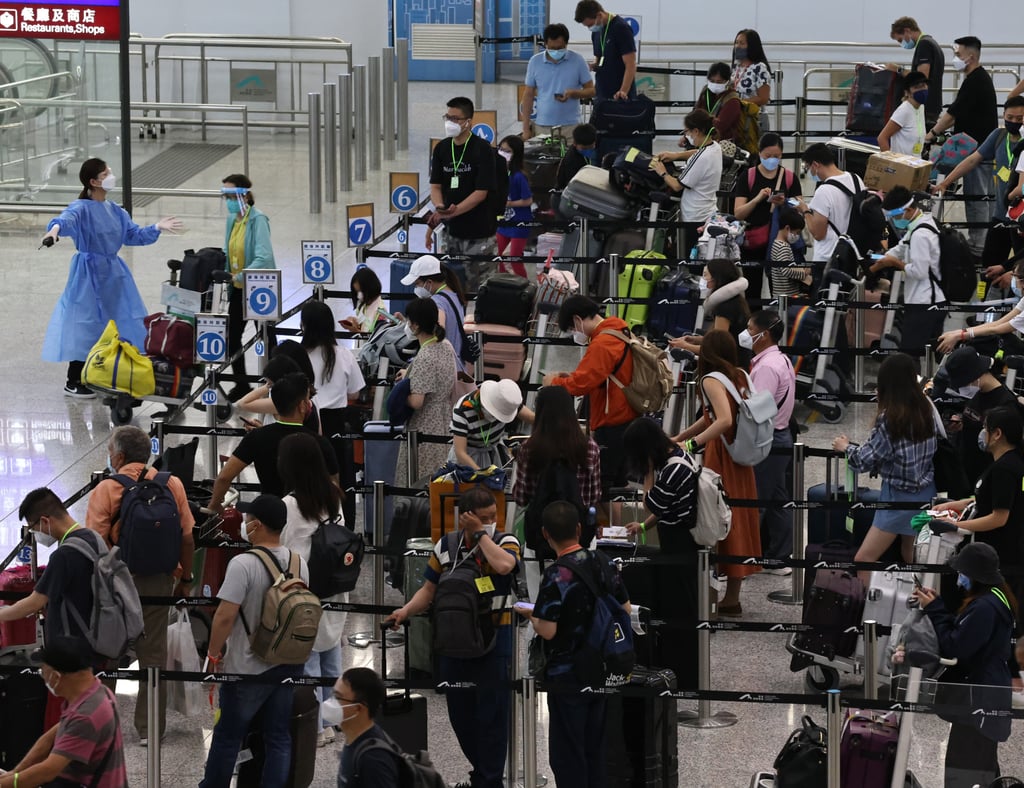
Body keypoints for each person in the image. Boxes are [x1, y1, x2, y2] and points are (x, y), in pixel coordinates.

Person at [386, 487, 520, 788]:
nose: (490, 522)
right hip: (453, 641)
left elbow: (504, 566)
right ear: (466, 517)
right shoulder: (445, 546)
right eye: (483, 518)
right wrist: (405, 611)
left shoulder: (505, 541)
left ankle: (488, 781)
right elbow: (429, 589)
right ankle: (482, 774)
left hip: (494, 641)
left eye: (493, 517)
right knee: (462, 719)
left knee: (493, 719)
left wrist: (482, 535)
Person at [85, 425, 196, 745]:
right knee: (153, 654)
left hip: (117, 580)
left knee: (107, 651)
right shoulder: (170, 482)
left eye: (109, 452)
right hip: (159, 580)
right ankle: (150, 730)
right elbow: (187, 536)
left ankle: (101, 725)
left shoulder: (107, 489)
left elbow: (96, 544)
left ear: (119, 456)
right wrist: (185, 578)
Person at [40, 158, 182, 398]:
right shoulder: (81, 208)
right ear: (93, 182)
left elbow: (132, 235)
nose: (111, 175)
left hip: (114, 273)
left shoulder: (115, 210)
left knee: (119, 320)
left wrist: (156, 227)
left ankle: (106, 371)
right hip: (87, 274)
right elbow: (64, 220)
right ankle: (73, 379)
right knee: (85, 323)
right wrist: (54, 232)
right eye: (106, 173)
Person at [519, 500, 630, 787]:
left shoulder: (557, 574)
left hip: (567, 675)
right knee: (596, 748)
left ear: (546, 534)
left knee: (568, 754)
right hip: (603, 668)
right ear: (579, 529)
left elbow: (548, 630)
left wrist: (532, 615)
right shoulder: (603, 561)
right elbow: (625, 609)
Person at [200, 494, 306, 788]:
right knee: (278, 736)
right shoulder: (299, 563)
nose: (244, 524)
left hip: (246, 666)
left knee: (227, 737)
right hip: (288, 663)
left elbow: (224, 616)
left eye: (247, 520)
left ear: (257, 525)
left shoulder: (243, 564)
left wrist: (212, 653)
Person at [912, 543, 1016, 787]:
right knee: (983, 765)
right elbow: (967, 633)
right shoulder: (996, 596)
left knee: (967, 770)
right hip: (987, 694)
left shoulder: (984, 608)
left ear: (975, 575)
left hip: (978, 699)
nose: (959, 581)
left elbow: (956, 648)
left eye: (962, 573)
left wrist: (935, 610)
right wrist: (938, 607)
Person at [673, 330, 761, 615]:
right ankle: (732, 595)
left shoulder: (710, 379)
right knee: (740, 516)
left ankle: (717, 593)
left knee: (718, 516)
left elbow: (721, 420)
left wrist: (689, 443)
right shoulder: (739, 373)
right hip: (742, 454)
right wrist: (681, 436)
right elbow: (711, 416)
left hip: (722, 454)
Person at [831, 353, 937, 584]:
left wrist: (846, 447)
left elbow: (864, 460)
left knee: (864, 559)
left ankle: (870, 616)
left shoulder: (890, 418)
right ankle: (918, 608)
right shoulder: (926, 407)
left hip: (897, 498)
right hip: (925, 491)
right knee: (913, 556)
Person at [277, 433, 349, 748]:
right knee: (331, 654)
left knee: (307, 660)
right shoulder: (333, 494)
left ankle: (318, 726)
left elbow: (277, 543)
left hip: (302, 591)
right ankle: (335, 716)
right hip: (334, 585)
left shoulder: (290, 504)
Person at [621, 417, 699, 687]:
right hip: (674, 539)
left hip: (682, 545)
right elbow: (664, 508)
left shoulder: (673, 467)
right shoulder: (675, 458)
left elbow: (651, 503)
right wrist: (642, 527)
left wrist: (648, 472)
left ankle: (685, 676)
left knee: (681, 611)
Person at [543, 295, 639, 506]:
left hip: (612, 418)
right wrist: (570, 377)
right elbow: (599, 374)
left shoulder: (602, 343)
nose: (574, 333)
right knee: (618, 483)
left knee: (603, 484)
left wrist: (554, 382)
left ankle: (603, 533)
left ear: (578, 319)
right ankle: (616, 530)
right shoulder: (619, 328)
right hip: (628, 414)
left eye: (572, 328)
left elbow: (581, 384)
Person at [0, 636, 127, 788]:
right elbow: (49, 738)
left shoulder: (86, 715)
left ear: (56, 675)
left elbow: (48, 771)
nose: (42, 676)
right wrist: (15, 772)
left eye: (43, 670)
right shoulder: (96, 691)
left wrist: (10, 783)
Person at [931, 407, 1024, 609]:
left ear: (997, 434)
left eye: (985, 428)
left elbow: (999, 517)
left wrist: (957, 525)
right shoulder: (1006, 463)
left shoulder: (1005, 469)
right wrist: (955, 504)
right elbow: (987, 499)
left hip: (1004, 557)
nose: (982, 433)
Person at [0, 489, 106, 666]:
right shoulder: (92, 537)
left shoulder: (64, 554)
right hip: (94, 636)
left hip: (72, 648)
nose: (36, 534)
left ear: (44, 521)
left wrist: (2, 614)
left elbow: (34, 602)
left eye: (34, 529)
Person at [208, 372, 339, 509]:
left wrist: (215, 505)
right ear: (301, 406)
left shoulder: (257, 437)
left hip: (269, 517)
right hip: (308, 516)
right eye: (307, 401)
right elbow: (334, 486)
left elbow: (224, 477)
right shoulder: (320, 443)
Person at [935, 96, 1024, 289]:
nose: (1015, 122)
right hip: (1000, 216)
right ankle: (983, 312)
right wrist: (946, 182)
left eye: (1020, 119)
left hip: (1021, 220)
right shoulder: (998, 137)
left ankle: (1014, 313)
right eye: (1011, 117)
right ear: (1004, 115)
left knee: (1019, 270)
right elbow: (972, 160)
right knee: (989, 268)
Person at [924, 36, 998, 257]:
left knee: (978, 199)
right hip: (979, 148)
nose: (955, 59)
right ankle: (984, 241)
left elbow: (953, 114)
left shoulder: (976, 80)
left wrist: (932, 133)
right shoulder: (978, 79)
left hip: (978, 152)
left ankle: (979, 245)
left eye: (958, 55)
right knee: (983, 198)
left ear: (971, 57)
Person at [300, 301, 365, 528]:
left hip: (305, 423)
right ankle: (343, 530)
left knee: (307, 479)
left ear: (304, 326)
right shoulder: (343, 355)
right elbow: (355, 393)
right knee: (342, 481)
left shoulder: (300, 355)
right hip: (336, 425)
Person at [744, 311, 796, 570]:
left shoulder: (766, 367)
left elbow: (757, 410)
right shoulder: (781, 359)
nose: (747, 333)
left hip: (768, 439)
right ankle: (779, 557)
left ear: (763, 335)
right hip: (780, 436)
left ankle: (746, 560)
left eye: (750, 328)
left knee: (756, 501)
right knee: (776, 499)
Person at [430, 96, 499, 289]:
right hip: (451, 234)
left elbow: (481, 192)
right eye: (447, 117)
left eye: (455, 118)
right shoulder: (442, 149)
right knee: (450, 286)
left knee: (482, 289)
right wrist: (440, 206)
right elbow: (435, 185)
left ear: (468, 121)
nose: (450, 122)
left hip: (479, 233)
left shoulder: (482, 150)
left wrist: (455, 210)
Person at [870, 187, 946, 353]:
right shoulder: (921, 223)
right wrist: (878, 262)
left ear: (909, 210)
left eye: (896, 216)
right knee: (922, 353)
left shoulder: (921, 235)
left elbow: (919, 272)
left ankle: (914, 379)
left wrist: (895, 263)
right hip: (928, 300)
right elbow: (901, 247)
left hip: (925, 303)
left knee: (911, 355)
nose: (895, 220)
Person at [219, 174, 274, 402]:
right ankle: (241, 384)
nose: (228, 200)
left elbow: (264, 256)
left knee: (267, 337)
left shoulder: (258, 220)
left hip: (260, 288)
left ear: (243, 194)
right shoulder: (233, 219)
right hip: (238, 288)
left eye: (231, 195)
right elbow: (227, 251)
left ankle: (275, 383)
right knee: (232, 337)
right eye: (226, 196)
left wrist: (239, 274)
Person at [395, 297, 457, 486]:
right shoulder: (445, 345)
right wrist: (411, 373)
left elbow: (417, 401)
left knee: (417, 480)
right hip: (444, 420)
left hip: (424, 425)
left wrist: (400, 394)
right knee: (439, 478)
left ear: (415, 325)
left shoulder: (425, 356)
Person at [939, 347, 1020, 485]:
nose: (962, 389)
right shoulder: (977, 392)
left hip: (985, 476)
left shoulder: (1005, 404)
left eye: (963, 384)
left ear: (975, 376)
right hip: (966, 470)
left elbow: (1005, 451)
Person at [651, 109, 723, 254]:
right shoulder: (715, 147)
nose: (687, 136)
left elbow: (677, 185)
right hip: (708, 211)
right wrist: (675, 156)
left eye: (687, 132)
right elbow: (697, 152)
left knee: (694, 260)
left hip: (695, 218)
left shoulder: (702, 158)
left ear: (696, 131)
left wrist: (662, 171)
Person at [733, 132, 803, 263]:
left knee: (778, 281)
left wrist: (785, 202)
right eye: (768, 156)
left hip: (781, 242)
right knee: (753, 282)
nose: (772, 159)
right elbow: (738, 214)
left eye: (776, 156)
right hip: (754, 239)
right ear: (760, 153)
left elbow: (800, 208)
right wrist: (756, 199)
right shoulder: (748, 176)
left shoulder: (789, 177)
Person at [521, 22, 594, 140]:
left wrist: (574, 93)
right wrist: (525, 129)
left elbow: (591, 90)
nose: (556, 51)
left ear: (566, 44)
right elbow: (528, 95)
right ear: (545, 44)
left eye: (560, 48)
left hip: (570, 127)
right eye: (552, 48)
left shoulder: (578, 60)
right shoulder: (535, 62)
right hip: (542, 126)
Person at [796, 143, 865, 264]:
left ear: (816, 165)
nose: (810, 173)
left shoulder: (823, 191)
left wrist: (805, 211)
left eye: (808, 168)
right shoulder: (856, 179)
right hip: (853, 254)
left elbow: (818, 234)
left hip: (828, 258)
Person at [333, 667, 399, 787]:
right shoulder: (354, 737)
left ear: (358, 708)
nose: (331, 703)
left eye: (338, 697)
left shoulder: (373, 760)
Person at [400, 254, 468, 369]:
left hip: (442, 370)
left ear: (429, 283)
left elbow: (437, 336)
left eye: (417, 284)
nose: (416, 289)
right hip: (456, 366)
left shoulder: (437, 302)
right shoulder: (454, 295)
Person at [670, 260, 750, 356]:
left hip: (732, 363)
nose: (703, 279)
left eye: (705, 275)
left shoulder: (724, 309)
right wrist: (696, 340)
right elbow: (725, 338)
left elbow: (717, 349)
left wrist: (685, 346)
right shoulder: (735, 300)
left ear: (716, 278)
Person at [450, 379, 530, 470]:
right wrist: (481, 474)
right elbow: (460, 452)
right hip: (468, 459)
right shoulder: (462, 411)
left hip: (493, 452)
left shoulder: (506, 402)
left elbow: (531, 417)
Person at [886, 16, 946, 127]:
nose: (901, 44)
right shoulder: (931, 43)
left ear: (907, 31)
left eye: (900, 40)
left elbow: (921, 78)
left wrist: (898, 69)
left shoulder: (924, 45)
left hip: (925, 106)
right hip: (932, 104)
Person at [573, 1, 636, 102]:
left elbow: (630, 64)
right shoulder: (596, 32)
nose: (590, 28)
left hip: (619, 95)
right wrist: (591, 66)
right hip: (601, 93)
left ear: (599, 15)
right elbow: (599, 60)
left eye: (590, 24)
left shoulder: (621, 28)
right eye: (587, 26)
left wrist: (623, 91)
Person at [496, 135, 533, 277]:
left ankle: (524, 287)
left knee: (514, 258)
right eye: (501, 149)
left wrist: (508, 203)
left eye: (507, 151)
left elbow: (528, 200)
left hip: (519, 222)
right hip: (503, 221)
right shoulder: (498, 173)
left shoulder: (518, 176)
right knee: (501, 258)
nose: (503, 153)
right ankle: (503, 287)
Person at [877, 71, 929, 155]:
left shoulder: (921, 107)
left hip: (915, 162)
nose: (922, 90)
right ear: (907, 92)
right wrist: (891, 161)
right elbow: (882, 138)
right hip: (902, 164)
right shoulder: (904, 110)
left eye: (923, 86)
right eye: (916, 87)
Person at [767, 207, 812, 296]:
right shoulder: (783, 247)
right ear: (787, 228)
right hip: (786, 296)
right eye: (797, 232)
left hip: (781, 294)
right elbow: (786, 270)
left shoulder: (776, 243)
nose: (797, 236)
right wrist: (804, 273)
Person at [731, 29, 772, 122]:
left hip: (755, 119)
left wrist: (740, 103)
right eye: (736, 43)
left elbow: (763, 98)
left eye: (742, 43)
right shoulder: (736, 67)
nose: (738, 46)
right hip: (737, 117)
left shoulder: (759, 68)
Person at [694, 62, 741, 143]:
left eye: (719, 82)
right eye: (712, 81)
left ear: (727, 81)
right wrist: (687, 135)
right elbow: (694, 115)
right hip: (702, 137)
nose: (715, 84)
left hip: (723, 142)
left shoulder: (732, 100)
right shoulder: (705, 93)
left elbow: (720, 126)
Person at [340, 267, 388, 334]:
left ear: (371, 288)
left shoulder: (380, 312)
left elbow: (377, 339)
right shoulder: (363, 304)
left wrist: (355, 331)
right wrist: (353, 321)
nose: (359, 296)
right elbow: (363, 323)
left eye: (361, 291)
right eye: (357, 292)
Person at [556, 123, 598, 189]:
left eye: (591, 147)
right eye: (584, 149)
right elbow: (572, 185)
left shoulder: (587, 154)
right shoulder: (571, 160)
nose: (588, 150)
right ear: (575, 143)